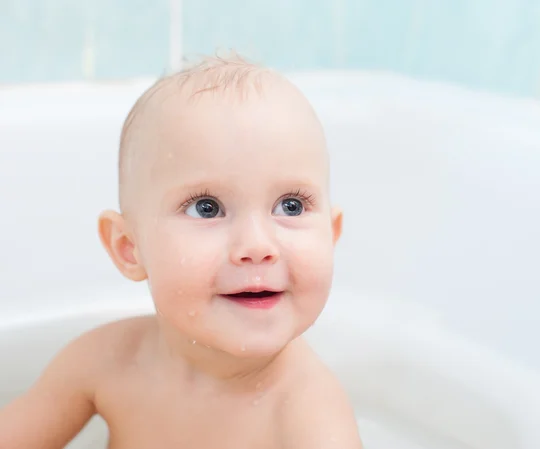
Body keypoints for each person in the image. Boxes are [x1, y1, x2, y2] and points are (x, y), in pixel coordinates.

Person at [0, 52, 362, 449]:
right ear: (129, 249)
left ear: (332, 234)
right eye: (207, 208)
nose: (258, 246)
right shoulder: (104, 361)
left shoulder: (311, 424)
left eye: (290, 205)